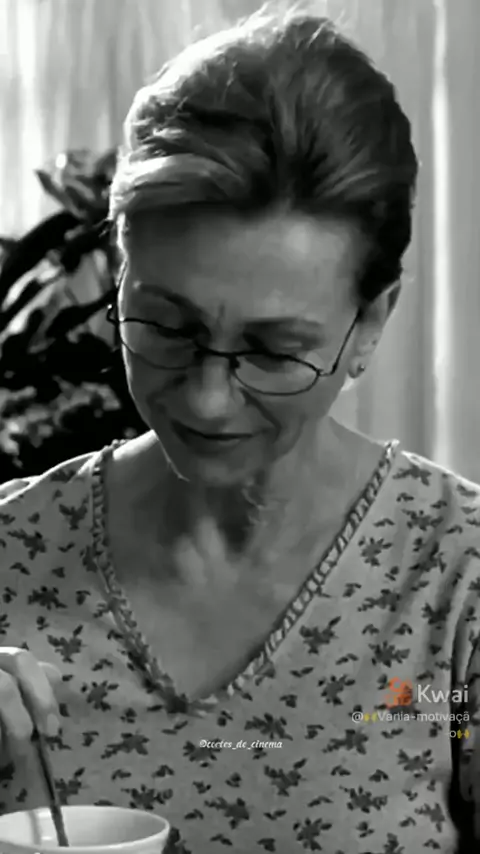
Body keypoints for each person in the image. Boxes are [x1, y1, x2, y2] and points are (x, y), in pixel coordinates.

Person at [0, 7, 479, 853]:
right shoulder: (12, 550)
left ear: (370, 323)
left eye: (273, 350)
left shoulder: (458, 581)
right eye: (165, 325)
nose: (208, 399)